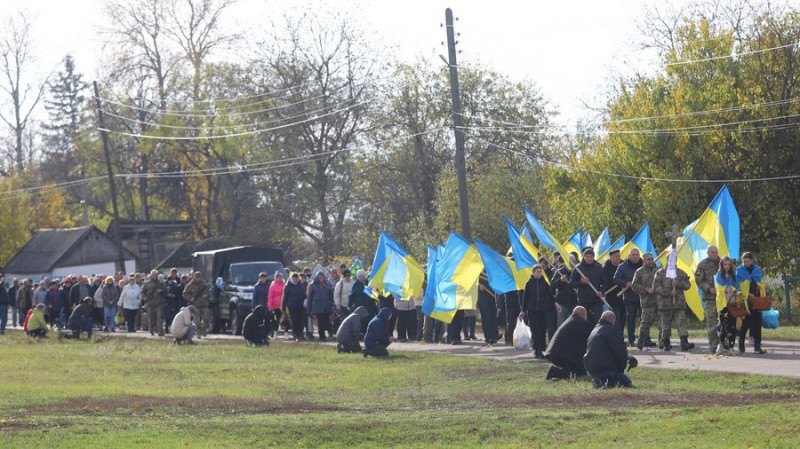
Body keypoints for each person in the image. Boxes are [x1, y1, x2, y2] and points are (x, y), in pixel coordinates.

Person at [583, 311, 634, 388]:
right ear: (613, 321)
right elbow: (620, 352)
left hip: (591, 368)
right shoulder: (612, 331)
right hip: (605, 368)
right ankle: (603, 382)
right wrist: (620, 369)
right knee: (627, 382)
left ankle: (599, 379)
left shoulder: (594, 330)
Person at [653, 263, 694, 351]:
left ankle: (684, 342)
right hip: (665, 304)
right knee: (666, 325)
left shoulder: (681, 273)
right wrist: (668, 292)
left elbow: (687, 285)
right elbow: (656, 287)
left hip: (679, 304)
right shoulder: (660, 273)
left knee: (681, 322)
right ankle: (666, 343)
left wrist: (678, 284)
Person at [544, 306, 592, 379]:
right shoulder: (580, 323)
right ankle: (554, 371)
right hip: (561, 355)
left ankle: (556, 371)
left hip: (555, 353)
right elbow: (590, 340)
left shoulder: (571, 320)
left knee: (581, 371)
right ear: (583, 315)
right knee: (579, 373)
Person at [521, 265, 556, 359]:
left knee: (542, 330)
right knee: (535, 330)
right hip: (532, 310)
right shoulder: (529, 283)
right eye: (537, 272)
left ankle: (541, 349)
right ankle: (536, 350)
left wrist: (555, 303)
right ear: (533, 273)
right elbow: (526, 297)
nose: (539, 273)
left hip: (543, 310)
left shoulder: (544, 282)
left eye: (540, 272)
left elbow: (549, 294)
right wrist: (523, 310)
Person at [695, 245, 722, 354]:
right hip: (710, 298)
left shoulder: (723, 263)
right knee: (711, 322)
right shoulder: (702, 265)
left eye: (716, 252)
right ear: (708, 253)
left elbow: (730, 276)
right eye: (712, 252)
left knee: (725, 321)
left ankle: (724, 344)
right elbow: (698, 280)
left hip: (723, 298)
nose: (715, 254)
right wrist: (708, 288)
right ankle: (713, 344)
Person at [736, 252, 765, 354]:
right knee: (745, 323)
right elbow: (738, 286)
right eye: (744, 261)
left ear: (752, 261)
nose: (746, 263)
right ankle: (741, 344)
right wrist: (748, 294)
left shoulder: (756, 270)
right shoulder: (739, 271)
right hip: (746, 301)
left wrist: (758, 286)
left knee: (757, 323)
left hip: (756, 301)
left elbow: (760, 281)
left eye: (748, 261)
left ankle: (757, 346)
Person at [613, 248, 643, 346]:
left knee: (645, 319)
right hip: (629, 297)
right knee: (631, 319)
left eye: (637, 254)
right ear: (629, 256)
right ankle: (631, 340)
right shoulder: (622, 266)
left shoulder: (644, 266)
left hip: (643, 297)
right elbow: (616, 279)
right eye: (633, 254)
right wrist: (625, 283)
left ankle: (644, 339)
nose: (635, 256)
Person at [569, 247, 605, 327]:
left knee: (596, 320)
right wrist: (581, 282)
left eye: (591, 256)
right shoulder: (578, 268)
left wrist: (602, 292)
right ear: (584, 257)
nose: (589, 258)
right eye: (587, 256)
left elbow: (605, 282)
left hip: (596, 299)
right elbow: (571, 284)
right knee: (583, 321)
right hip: (583, 300)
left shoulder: (598, 267)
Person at [631, 252, 660, 349]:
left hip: (661, 301)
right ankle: (640, 341)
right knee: (645, 323)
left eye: (651, 259)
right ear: (644, 261)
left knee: (663, 322)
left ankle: (663, 341)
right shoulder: (639, 272)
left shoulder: (659, 270)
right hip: (647, 302)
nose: (651, 261)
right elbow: (634, 286)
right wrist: (646, 290)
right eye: (648, 259)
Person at [714, 256, 741, 355]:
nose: (727, 267)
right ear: (721, 265)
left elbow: (737, 287)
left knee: (732, 326)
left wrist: (735, 290)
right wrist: (731, 288)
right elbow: (722, 288)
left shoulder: (733, 275)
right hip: (723, 304)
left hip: (732, 304)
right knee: (724, 326)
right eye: (725, 264)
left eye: (729, 265)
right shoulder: (719, 276)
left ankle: (731, 347)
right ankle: (720, 345)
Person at [551, 252, 578, 327]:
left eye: (573, 261)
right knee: (561, 324)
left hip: (574, 302)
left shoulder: (578, 271)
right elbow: (552, 284)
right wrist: (560, 280)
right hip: (562, 303)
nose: (570, 263)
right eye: (569, 261)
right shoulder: (560, 271)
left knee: (572, 324)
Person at [602, 249, 625, 332]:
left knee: (623, 318)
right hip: (611, 297)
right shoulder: (605, 269)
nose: (618, 258)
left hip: (623, 296)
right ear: (611, 257)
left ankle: (620, 335)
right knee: (615, 317)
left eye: (619, 256)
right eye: (616, 256)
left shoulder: (624, 266)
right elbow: (604, 282)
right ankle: (615, 335)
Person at [182, 272, 210, 339]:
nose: (198, 279)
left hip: (204, 305)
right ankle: (198, 333)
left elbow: (210, 293)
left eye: (199, 277)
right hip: (195, 305)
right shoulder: (190, 285)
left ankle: (203, 330)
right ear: (194, 277)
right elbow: (184, 294)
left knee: (207, 319)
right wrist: (190, 298)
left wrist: (207, 295)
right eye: (196, 277)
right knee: (197, 321)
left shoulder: (204, 285)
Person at [308, 272, 334, 341]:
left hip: (326, 307)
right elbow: (310, 298)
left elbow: (331, 295)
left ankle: (327, 333)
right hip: (318, 307)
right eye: (319, 277)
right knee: (320, 322)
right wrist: (309, 309)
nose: (321, 278)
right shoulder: (313, 285)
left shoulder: (327, 285)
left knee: (326, 321)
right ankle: (322, 336)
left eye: (322, 277)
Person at [282, 272, 307, 341]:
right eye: (294, 277)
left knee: (301, 321)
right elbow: (285, 297)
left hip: (300, 306)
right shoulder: (288, 286)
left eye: (296, 277)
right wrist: (283, 307)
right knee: (294, 321)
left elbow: (304, 295)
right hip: (292, 306)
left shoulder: (300, 285)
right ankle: (295, 334)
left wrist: (306, 301)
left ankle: (300, 334)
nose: (295, 279)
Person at [142, 270, 166, 336]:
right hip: (150, 303)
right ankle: (151, 329)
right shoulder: (147, 284)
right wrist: (144, 297)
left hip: (159, 302)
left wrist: (161, 291)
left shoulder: (161, 283)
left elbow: (165, 290)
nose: (155, 276)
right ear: (151, 275)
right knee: (151, 318)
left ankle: (160, 331)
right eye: (153, 275)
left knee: (159, 318)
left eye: (156, 275)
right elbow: (142, 292)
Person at [477, 276, 499, 344]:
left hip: (493, 297)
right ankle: (489, 337)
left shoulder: (491, 269)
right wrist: (478, 287)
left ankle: (495, 335)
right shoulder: (479, 271)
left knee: (493, 317)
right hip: (483, 298)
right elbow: (472, 281)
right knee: (487, 317)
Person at [268, 271, 285, 339]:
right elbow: (270, 297)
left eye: (280, 277)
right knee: (276, 320)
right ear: (275, 278)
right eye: (277, 277)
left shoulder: (284, 285)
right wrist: (270, 306)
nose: (279, 278)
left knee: (285, 320)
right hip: (275, 307)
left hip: (283, 306)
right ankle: (275, 333)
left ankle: (286, 333)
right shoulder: (273, 286)